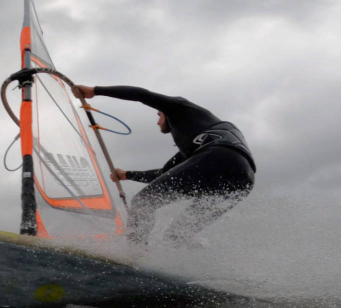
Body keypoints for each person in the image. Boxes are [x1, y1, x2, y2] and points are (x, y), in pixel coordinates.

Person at [73, 84, 256, 248]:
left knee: (143, 202)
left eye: (159, 116)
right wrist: (126, 174)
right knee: (177, 235)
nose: (158, 121)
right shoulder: (192, 147)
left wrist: (95, 91)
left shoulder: (180, 108)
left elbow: (141, 94)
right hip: (242, 179)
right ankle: (186, 267)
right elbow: (163, 173)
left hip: (219, 156)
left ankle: (134, 254)